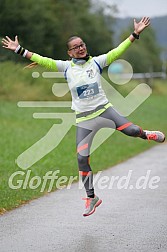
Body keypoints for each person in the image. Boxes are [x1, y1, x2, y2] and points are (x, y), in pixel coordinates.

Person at [2, 16, 165, 217]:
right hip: (85, 120)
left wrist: (135, 34)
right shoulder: (66, 68)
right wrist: (19, 49)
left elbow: (117, 51)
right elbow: (43, 60)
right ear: (69, 52)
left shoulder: (96, 62)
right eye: (76, 47)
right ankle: (91, 197)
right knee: (81, 158)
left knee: (132, 130)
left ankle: (146, 134)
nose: (80, 48)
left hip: (105, 111)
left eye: (82, 45)